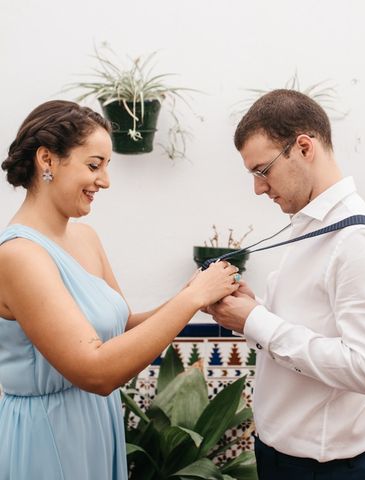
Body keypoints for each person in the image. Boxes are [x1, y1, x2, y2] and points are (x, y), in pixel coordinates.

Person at [0, 100, 240, 480]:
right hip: (50, 435)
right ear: (47, 160)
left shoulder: (86, 237)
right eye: (94, 165)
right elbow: (96, 371)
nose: (106, 181)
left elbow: (123, 326)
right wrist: (189, 299)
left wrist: (195, 294)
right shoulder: (18, 256)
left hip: (97, 424)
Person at [207, 89, 365, 480]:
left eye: (262, 171)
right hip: (283, 456)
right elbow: (313, 322)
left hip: (328, 469)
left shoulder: (358, 240)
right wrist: (254, 309)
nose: (258, 188)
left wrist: (256, 322)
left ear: (303, 147)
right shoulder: (312, 225)